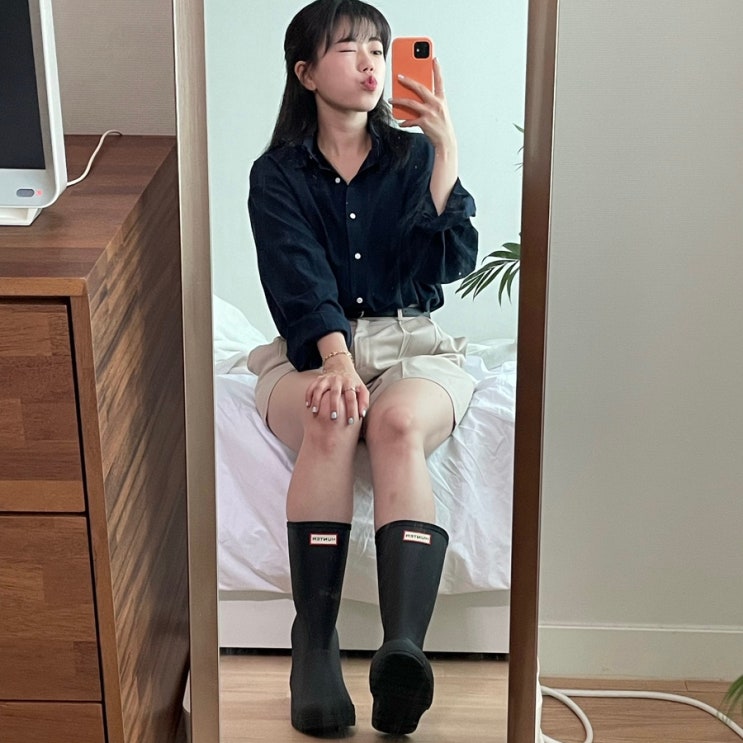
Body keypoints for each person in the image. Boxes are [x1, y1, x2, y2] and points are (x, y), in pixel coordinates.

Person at [246, 0, 478, 736]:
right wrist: (336, 358)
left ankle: (402, 649)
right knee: (332, 412)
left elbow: (444, 265)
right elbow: (295, 274)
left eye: (378, 47)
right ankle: (314, 647)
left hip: (412, 343)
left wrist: (445, 153)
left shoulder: (412, 158)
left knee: (398, 421)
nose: (371, 62)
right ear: (306, 73)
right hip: (316, 348)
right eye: (348, 48)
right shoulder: (276, 173)